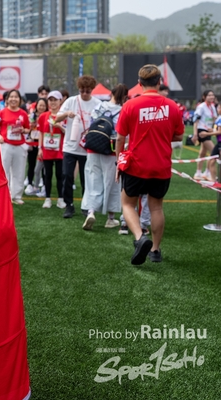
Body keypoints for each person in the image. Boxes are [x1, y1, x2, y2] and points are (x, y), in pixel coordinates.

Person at [115, 64, 184, 265]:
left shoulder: (130, 105)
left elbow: (120, 138)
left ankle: (139, 238)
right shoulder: (172, 106)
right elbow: (179, 135)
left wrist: (119, 161)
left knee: (127, 204)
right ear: (159, 82)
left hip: (136, 165)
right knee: (156, 208)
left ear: (139, 83)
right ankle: (155, 250)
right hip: (161, 165)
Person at [81, 84, 128, 231]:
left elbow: (90, 125)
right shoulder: (123, 111)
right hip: (111, 150)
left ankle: (91, 212)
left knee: (92, 181)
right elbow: (122, 135)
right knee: (112, 183)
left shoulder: (99, 107)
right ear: (125, 97)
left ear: (111, 93)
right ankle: (110, 218)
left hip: (93, 148)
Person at [55, 75, 101, 218]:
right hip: (70, 146)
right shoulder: (71, 101)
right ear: (78, 89)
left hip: (88, 147)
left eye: (88, 91)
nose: (84, 93)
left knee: (86, 179)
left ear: (92, 89)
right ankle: (69, 205)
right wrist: (66, 114)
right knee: (67, 176)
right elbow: (56, 118)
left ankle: (86, 206)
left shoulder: (98, 104)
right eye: (82, 90)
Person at [0, 89, 30, 205]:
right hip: (5, 145)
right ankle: (4, 195)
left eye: (16, 97)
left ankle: (16, 196)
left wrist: (23, 130)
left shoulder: (23, 114)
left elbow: (28, 129)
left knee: (19, 172)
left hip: (20, 146)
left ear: (20, 100)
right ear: (7, 99)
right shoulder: (1, 113)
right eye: (11, 97)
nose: (13, 99)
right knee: (4, 171)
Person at [38, 91, 65, 209]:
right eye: (50, 100)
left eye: (55, 100)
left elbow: (68, 132)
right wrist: (40, 148)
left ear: (60, 101)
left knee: (60, 175)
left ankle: (61, 199)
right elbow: (41, 133)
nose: (53, 102)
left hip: (60, 150)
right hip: (47, 149)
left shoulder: (63, 115)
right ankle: (47, 198)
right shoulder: (43, 116)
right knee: (47, 175)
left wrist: (60, 126)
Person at [192, 90, 216, 181]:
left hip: (208, 131)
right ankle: (207, 172)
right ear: (204, 97)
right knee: (214, 152)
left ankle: (199, 173)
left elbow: (214, 119)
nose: (211, 97)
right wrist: (195, 134)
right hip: (202, 131)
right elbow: (196, 121)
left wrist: (213, 129)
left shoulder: (212, 106)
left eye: (212, 95)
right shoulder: (201, 107)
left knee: (202, 153)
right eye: (209, 95)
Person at [24, 97, 46, 197]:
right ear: (36, 106)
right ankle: (30, 183)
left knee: (44, 167)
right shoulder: (32, 116)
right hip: (33, 142)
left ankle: (44, 186)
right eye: (40, 105)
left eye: (43, 105)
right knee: (31, 164)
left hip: (44, 143)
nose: (41, 107)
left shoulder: (48, 116)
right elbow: (27, 128)